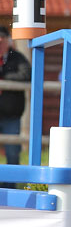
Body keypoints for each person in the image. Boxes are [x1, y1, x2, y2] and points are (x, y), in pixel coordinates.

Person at [0, 27, 30, 187]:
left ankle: (10, 188)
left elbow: (26, 75)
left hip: (11, 114)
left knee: (12, 152)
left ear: (7, 41)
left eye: (2, 41)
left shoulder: (17, 57)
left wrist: (5, 77)